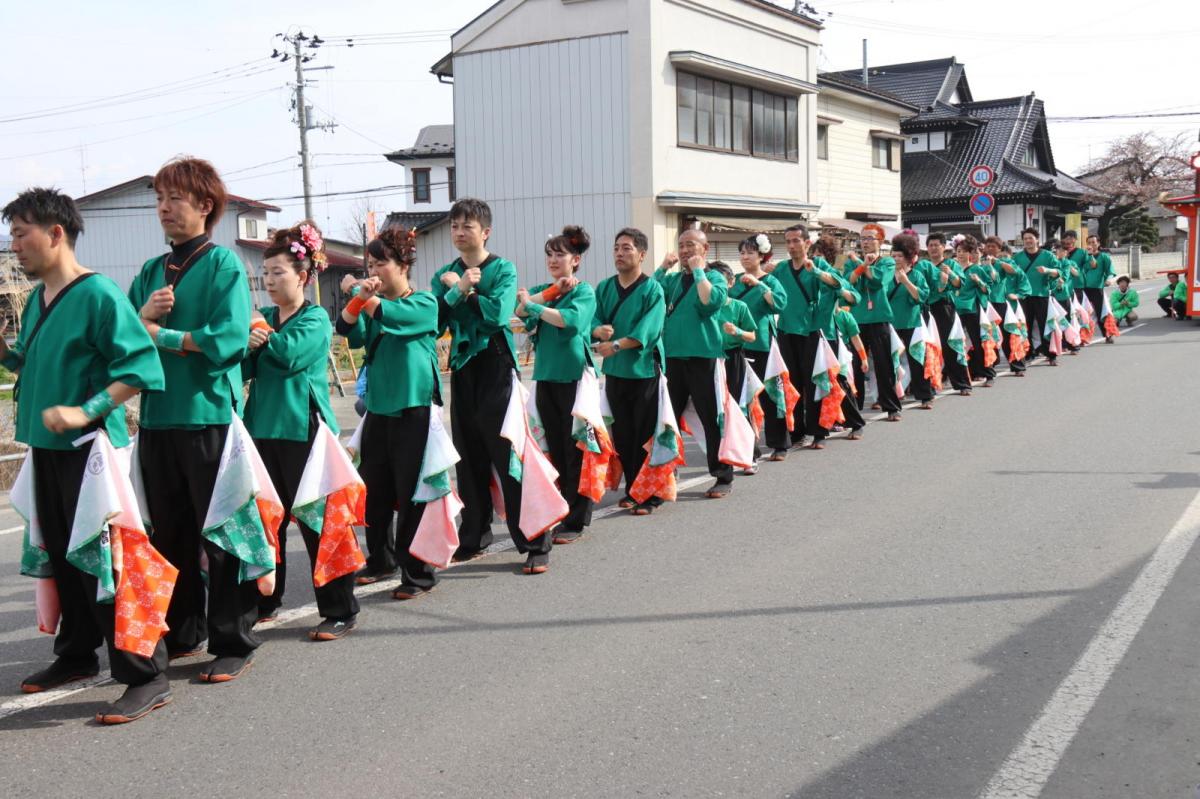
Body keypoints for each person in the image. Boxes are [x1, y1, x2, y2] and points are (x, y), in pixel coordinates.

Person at [3, 188, 169, 724]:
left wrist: (86, 410)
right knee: (64, 560)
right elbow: (29, 363)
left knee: (108, 567)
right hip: (48, 450)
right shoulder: (37, 301)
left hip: (90, 451)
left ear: (56, 234)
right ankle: (75, 655)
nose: (14, 246)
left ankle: (146, 673)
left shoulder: (98, 294)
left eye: (21, 233)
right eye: (12, 235)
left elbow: (141, 367)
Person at [127, 156, 260, 684]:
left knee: (221, 529)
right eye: (159, 199)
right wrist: (144, 319)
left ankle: (234, 638)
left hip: (207, 416)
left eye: (173, 199)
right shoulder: (149, 271)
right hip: (157, 419)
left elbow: (229, 339)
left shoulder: (223, 264)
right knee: (169, 533)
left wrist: (164, 336)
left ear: (205, 206)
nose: (163, 208)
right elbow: (125, 338)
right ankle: (184, 629)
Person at [243, 222, 359, 639]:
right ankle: (265, 600)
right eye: (266, 275)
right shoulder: (268, 319)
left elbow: (289, 355)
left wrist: (260, 336)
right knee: (265, 522)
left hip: (305, 431)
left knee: (319, 523)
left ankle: (340, 608)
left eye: (279, 273)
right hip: (262, 429)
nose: (270, 282)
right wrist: (251, 339)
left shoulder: (315, 320)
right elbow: (244, 364)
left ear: (304, 277)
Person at [432, 199, 554, 574]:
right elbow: (434, 322)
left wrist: (467, 292)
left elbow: (497, 315)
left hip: (497, 365)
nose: (458, 232)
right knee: (468, 457)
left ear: (485, 231)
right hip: (464, 368)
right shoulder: (446, 273)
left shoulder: (502, 268)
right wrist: (454, 290)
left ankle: (535, 540)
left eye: (466, 226)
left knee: (509, 454)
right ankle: (473, 535)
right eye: (454, 226)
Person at [342, 226, 444, 594]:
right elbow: (346, 329)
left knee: (413, 493)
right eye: (369, 263)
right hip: (378, 409)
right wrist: (355, 299)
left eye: (380, 263)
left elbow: (385, 313)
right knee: (376, 490)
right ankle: (380, 559)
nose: (373, 270)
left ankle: (417, 572)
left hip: (414, 408)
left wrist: (358, 291)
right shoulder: (371, 302)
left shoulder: (425, 303)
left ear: (403, 265)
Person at [517, 226, 598, 543]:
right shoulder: (546, 289)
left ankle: (577, 518)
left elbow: (571, 321)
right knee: (553, 447)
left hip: (574, 378)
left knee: (575, 447)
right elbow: (519, 310)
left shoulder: (584, 291)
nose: (553, 260)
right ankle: (561, 509)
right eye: (549, 254)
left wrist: (536, 305)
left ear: (575, 260)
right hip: (546, 378)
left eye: (560, 254)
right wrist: (547, 295)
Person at [592, 228, 666, 515]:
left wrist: (617, 345)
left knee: (645, 434)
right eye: (617, 248)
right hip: (615, 372)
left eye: (627, 248)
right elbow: (592, 320)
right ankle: (634, 489)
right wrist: (597, 331)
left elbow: (649, 329)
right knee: (622, 435)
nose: (620, 254)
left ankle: (651, 493)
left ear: (642, 254)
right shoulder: (605, 287)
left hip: (644, 371)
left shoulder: (652, 289)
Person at [655, 227, 732, 498]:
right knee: (667, 418)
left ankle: (722, 474)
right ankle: (667, 471)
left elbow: (709, 300)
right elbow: (651, 293)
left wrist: (699, 271)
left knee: (711, 418)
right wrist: (663, 268)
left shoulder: (714, 277)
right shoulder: (674, 281)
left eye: (691, 245)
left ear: (705, 249)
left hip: (703, 358)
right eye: (682, 245)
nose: (686, 250)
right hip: (674, 357)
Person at [730, 234, 789, 461]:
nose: (745, 257)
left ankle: (779, 444)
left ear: (762, 256)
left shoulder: (770, 281)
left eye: (750, 253)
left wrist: (759, 284)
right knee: (741, 397)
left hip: (762, 344)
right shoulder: (733, 280)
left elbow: (780, 305)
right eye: (742, 253)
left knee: (770, 394)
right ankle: (747, 448)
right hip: (736, 344)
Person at [845, 234, 902, 421]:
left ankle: (891, 406)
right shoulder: (852, 262)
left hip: (879, 318)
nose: (865, 241)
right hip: (857, 319)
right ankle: (855, 408)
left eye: (870, 238)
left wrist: (865, 266)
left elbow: (878, 282)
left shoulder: (887, 262)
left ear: (880, 242)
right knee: (854, 365)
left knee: (883, 364)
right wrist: (861, 265)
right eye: (863, 238)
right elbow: (849, 282)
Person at [710, 261, 757, 472]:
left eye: (721, 280)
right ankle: (722, 454)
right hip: (709, 359)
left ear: (730, 283)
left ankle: (749, 455)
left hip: (733, 358)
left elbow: (752, 335)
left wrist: (737, 331)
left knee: (738, 406)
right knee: (713, 409)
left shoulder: (739, 307)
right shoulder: (704, 306)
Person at [919, 232, 971, 393]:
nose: (934, 248)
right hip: (927, 308)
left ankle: (961, 383)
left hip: (945, 307)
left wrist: (950, 273)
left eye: (937, 245)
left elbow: (959, 284)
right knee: (929, 346)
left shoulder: (950, 264)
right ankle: (931, 385)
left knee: (951, 345)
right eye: (930, 245)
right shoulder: (923, 265)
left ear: (943, 247)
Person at [889, 234, 933, 411]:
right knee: (890, 362)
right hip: (890, 324)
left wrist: (906, 281)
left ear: (908, 257)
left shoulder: (916, 276)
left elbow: (921, 296)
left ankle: (925, 396)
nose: (896, 259)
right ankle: (890, 397)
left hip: (911, 323)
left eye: (900, 256)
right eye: (894, 255)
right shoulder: (886, 275)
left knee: (917, 361)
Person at [1013, 227, 1062, 365]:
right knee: (1025, 326)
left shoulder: (1048, 256)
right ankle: (1028, 353)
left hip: (1042, 295)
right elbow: (1012, 276)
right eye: (1025, 239)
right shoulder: (1018, 257)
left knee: (1045, 325)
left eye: (1030, 238)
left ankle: (1051, 354)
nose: (1028, 241)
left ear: (1037, 239)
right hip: (1024, 297)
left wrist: (1048, 270)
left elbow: (1059, 272)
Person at [954, 235, 997, 387]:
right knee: (958, 343)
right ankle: (968, 373)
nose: (960, 254)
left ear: (970, 254)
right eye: (958, 251)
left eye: (964, 251)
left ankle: (988, 373)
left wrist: (978, 281)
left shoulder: (976, 268)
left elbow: (988, 288)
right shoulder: (953, 268)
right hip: (955, 310)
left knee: (978, 342)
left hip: (971, 309)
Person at [1083, 235, 1117, 340]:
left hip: (1097, 289)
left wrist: (1109, 279)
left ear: (1098, 244)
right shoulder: (1084, 257)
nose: (1091, 245)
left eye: (1093, 242)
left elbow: (1110, 272)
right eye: (1089, 242)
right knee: (1083, 314)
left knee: (1101, 312)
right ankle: (1083, 337)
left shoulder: (1104, 257)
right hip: (1083, 289)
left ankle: (1107, 334)